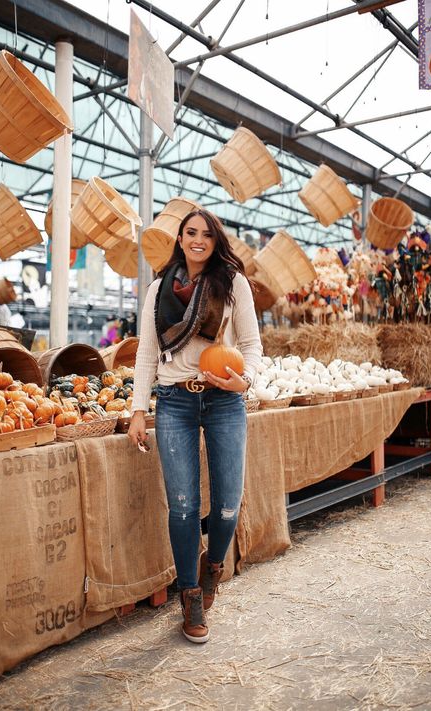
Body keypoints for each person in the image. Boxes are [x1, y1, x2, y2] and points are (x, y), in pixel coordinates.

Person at [128, 209, 262, 644]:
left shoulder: (233, 284)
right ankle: (189, 594)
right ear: (180, 239)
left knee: (227, 504)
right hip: (174, 401)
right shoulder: (158, 289)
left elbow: (252, 347)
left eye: (206, 234)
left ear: (215, 239)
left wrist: (246, 381)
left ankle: (214, 566)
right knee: (183, 505)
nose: (198, 240)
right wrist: (137, 411)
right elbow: (146, 354)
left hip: (225, 399)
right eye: (191, 233)